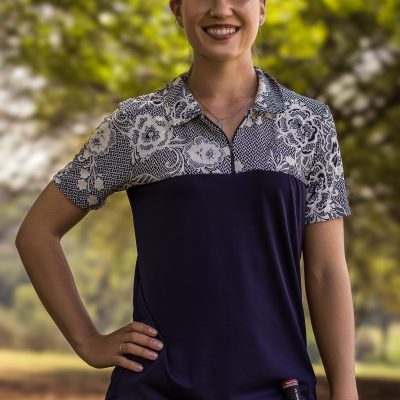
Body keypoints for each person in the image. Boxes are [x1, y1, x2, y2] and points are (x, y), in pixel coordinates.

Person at [15, 0, 359, 399]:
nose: (221, 8)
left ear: (262, 8)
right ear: (177, 9)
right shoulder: (137, 124)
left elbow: (327, 270)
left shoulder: (309, 124)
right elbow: (37, 232)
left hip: (277, 387)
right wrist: (87, 340)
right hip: (156, 388)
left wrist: (346, 389)